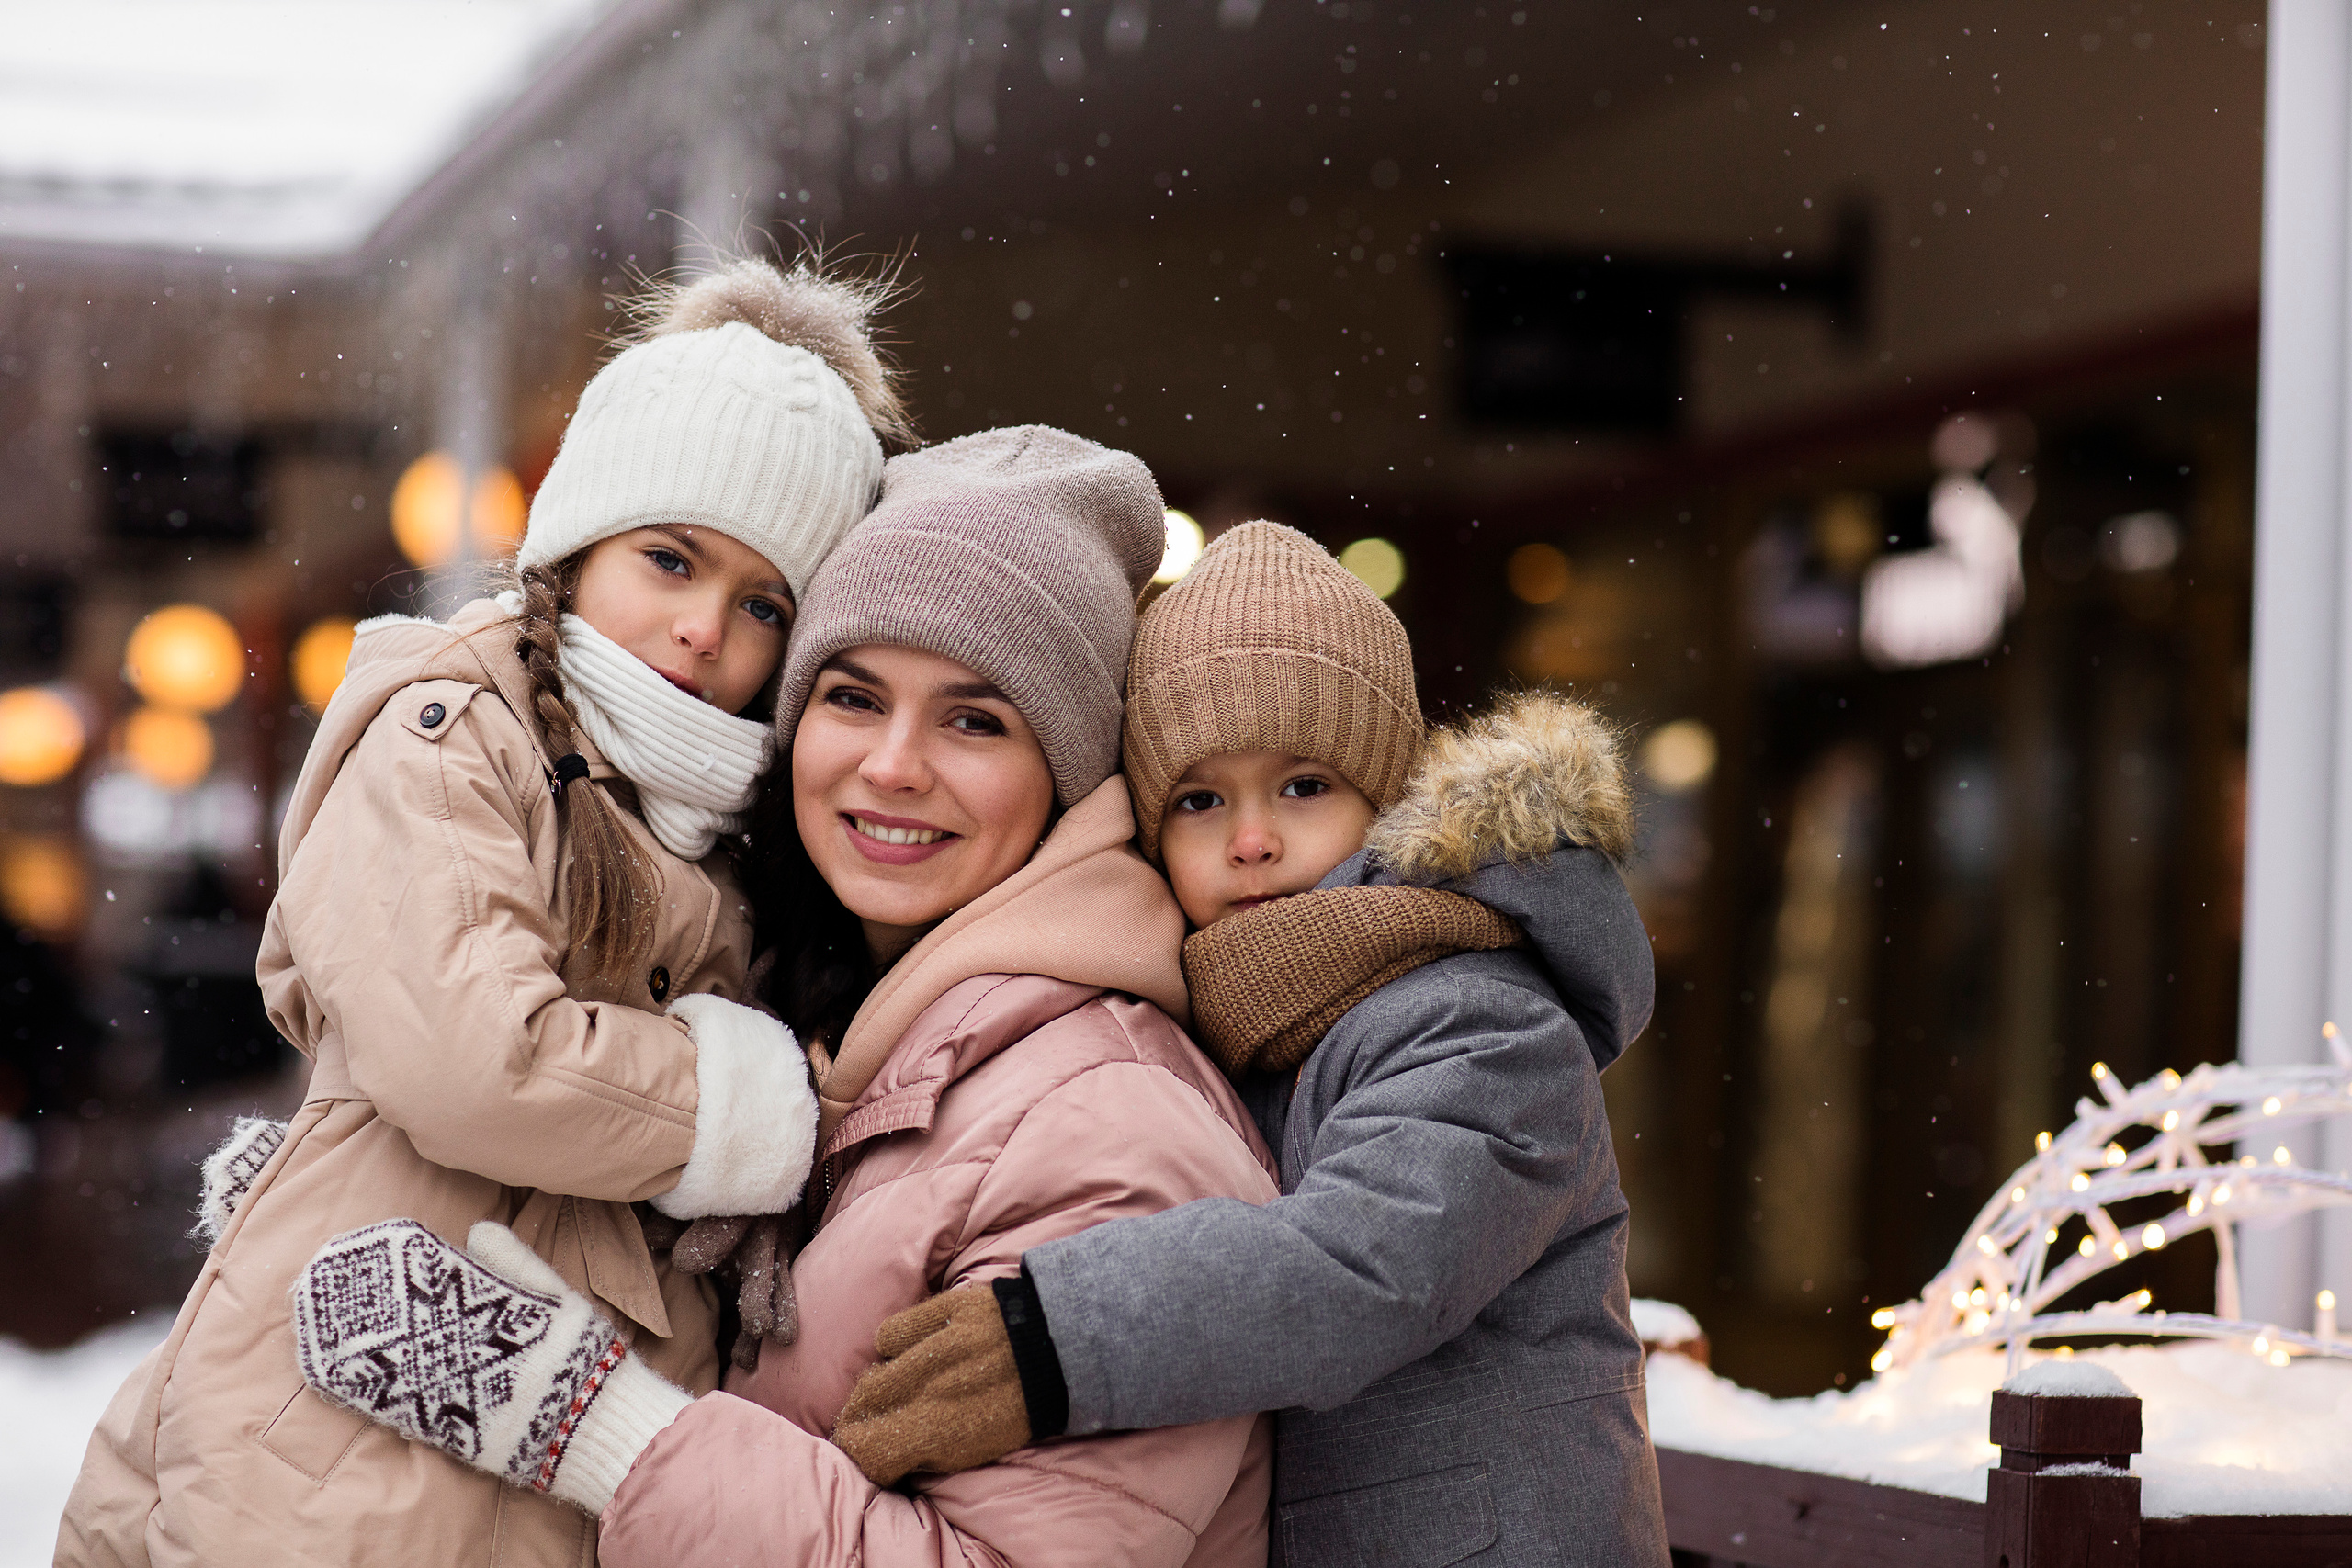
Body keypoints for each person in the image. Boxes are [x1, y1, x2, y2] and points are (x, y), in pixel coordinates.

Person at [285, 427, 1281, 1567]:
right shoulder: (826, 1031)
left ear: (1068, 774)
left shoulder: (1109, 1124)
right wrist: (371, 1181)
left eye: (974, 720)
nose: (894, 765)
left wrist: (598, 1426)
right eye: (854, 698)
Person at [56, 255, 909, 1568]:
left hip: (557, 1451)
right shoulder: (457, 730)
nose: (700, 629)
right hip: (342, 1440)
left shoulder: (738, 823)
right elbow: (470, 1053)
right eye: (670, 558)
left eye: (760, 603)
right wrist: (740, 1106)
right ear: (582, 537)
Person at [833, 521, 1673, 1566]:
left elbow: (1369, 1263)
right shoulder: (1241, 1026)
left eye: (1303, 786)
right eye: (1198, 801)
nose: (1250, 839)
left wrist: (1054, 1338)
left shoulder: (1478, 1018)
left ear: (1390, 802)